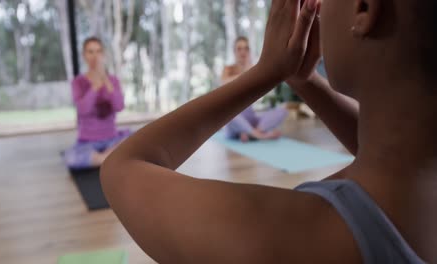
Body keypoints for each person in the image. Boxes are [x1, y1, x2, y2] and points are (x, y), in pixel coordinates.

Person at [101, 0, 435, 262]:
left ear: (364, 6)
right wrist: (301, 79)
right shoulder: (417, 184)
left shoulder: (294, 237)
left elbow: (122, 167)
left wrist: (267, 71)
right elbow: (396, 143)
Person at [64, 37, 129, 169]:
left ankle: (102, 158)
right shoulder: (78, 82)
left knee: (137, 139)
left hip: (113, 140)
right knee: (70, 158)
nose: (95, 56)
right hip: (87, 143)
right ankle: (108, 158)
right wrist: (95, 86)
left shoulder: (113, 80)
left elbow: (119, 106)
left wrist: (105, 81)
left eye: (98, 51)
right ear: (84, 56)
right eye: (90, 52)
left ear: (103, 55)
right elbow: (83, 109)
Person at [222, 36, 287, 141]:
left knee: (282, 111)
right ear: (234, 51)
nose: (243, 52)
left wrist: (250, 68)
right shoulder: (228, 69)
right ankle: (260, 135)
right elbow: (224, 83)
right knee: (228, 116)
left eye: (246, 48)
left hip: (250, 118)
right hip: (235, 119)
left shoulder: (253, 69)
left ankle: (252, 132)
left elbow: (263, 87)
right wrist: (246, 72)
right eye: (239, 49)